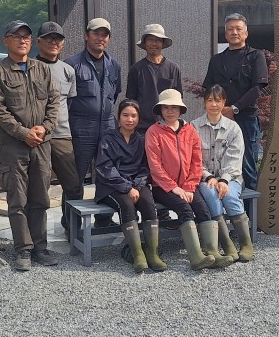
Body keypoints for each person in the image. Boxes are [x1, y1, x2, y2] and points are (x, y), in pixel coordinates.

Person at [0, 20, 60, 271]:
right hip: (13, 145)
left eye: (26, 36)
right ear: (6, 41)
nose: (22, 40)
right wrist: (23, 133)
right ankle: (23, 249)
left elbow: (54, 102)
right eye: (17, 36)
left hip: (41, 143)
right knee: (17, 198)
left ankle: (40, 247)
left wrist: (45, 127)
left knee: (40, 197)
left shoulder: (42, 69)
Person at [146, 89, 234, 270]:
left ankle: (213, 252)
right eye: (166, 107)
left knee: (203, 209)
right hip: (163, 187)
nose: (170, 111)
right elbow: (155, 166)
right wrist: (175, 188)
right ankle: (196, 257)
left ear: (181, 109)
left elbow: (197, 162)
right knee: (185, 209)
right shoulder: (153, 132)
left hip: (188, 185)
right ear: (160, 110)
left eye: (174, 107)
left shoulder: (190, 130)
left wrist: (188, 186)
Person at [94, 99, 166, 273]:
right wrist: (127, 187)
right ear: (118, 117)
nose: (130, 119)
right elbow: (105, 168)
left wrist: (137, 186)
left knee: (148, 202)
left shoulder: (141, 140)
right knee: (126, 204)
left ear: (138, 118)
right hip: (111, 185)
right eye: (125, 115)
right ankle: (137, 253)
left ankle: (153, 252)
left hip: (137, 184)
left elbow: (145, 167)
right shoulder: (108, 139)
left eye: (134, 115)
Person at [65, 18, 122, 228]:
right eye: (96, 33)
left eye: (104, 34)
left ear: (109, 39)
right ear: (86, 35)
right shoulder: (72, 64)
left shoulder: (114, 65)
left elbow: (114, 95)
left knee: (107, 175)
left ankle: (103, 220)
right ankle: (71, 225)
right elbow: (65, 100)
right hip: (81, 127)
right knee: (75, 179)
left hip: (107, 127)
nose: (100, 38)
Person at [203, 13, 269, 191]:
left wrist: (234, 108)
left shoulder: (256, 56)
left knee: (248, 165)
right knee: (218, 163)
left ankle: (250, 208)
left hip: (246, 119)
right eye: (230, 29)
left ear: (246, 33)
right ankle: (223, 205)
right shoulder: (217, 60)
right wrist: (218, 110)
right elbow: (209, 89)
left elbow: (257, 88)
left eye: (238, 29)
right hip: (219, 120)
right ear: (225, 34)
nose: (234, 32)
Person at [125, 23, 183, 225]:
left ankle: (164, 212)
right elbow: (131, 101)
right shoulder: (136, 70)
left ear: (163, 43)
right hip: (142, 130)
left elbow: (178, 100)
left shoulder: (173, 68)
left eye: (158, 40)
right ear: (144, 43)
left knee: (165, 170)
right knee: (143, 171)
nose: (154, 44)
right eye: (150, 39)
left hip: (167, 129)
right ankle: (143, 213)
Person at [190, 84, 254, 262]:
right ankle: (226, 244)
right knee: (212, 195)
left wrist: (224, 180)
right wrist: (209, 176)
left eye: (218, 100)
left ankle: (246, 243)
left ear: (224, 102)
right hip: (205, 178)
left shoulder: (233, 128)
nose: (214, 104)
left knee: (230, 196)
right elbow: (193, 160)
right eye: (210, 100)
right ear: (204, 103)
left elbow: (235, 160)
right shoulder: (194, 127)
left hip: (231, 177)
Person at [34, 21, 84, 236]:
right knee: (37, 188)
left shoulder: (68, 70)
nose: (53, 42)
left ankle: (72, 228)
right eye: (49, 38)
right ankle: (36, 236)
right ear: (39, 42)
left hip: (62, 135)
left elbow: (68, 103)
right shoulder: (30, 67)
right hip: (36, 137)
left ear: (63, 44)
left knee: (73, 185)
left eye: (58, 39)